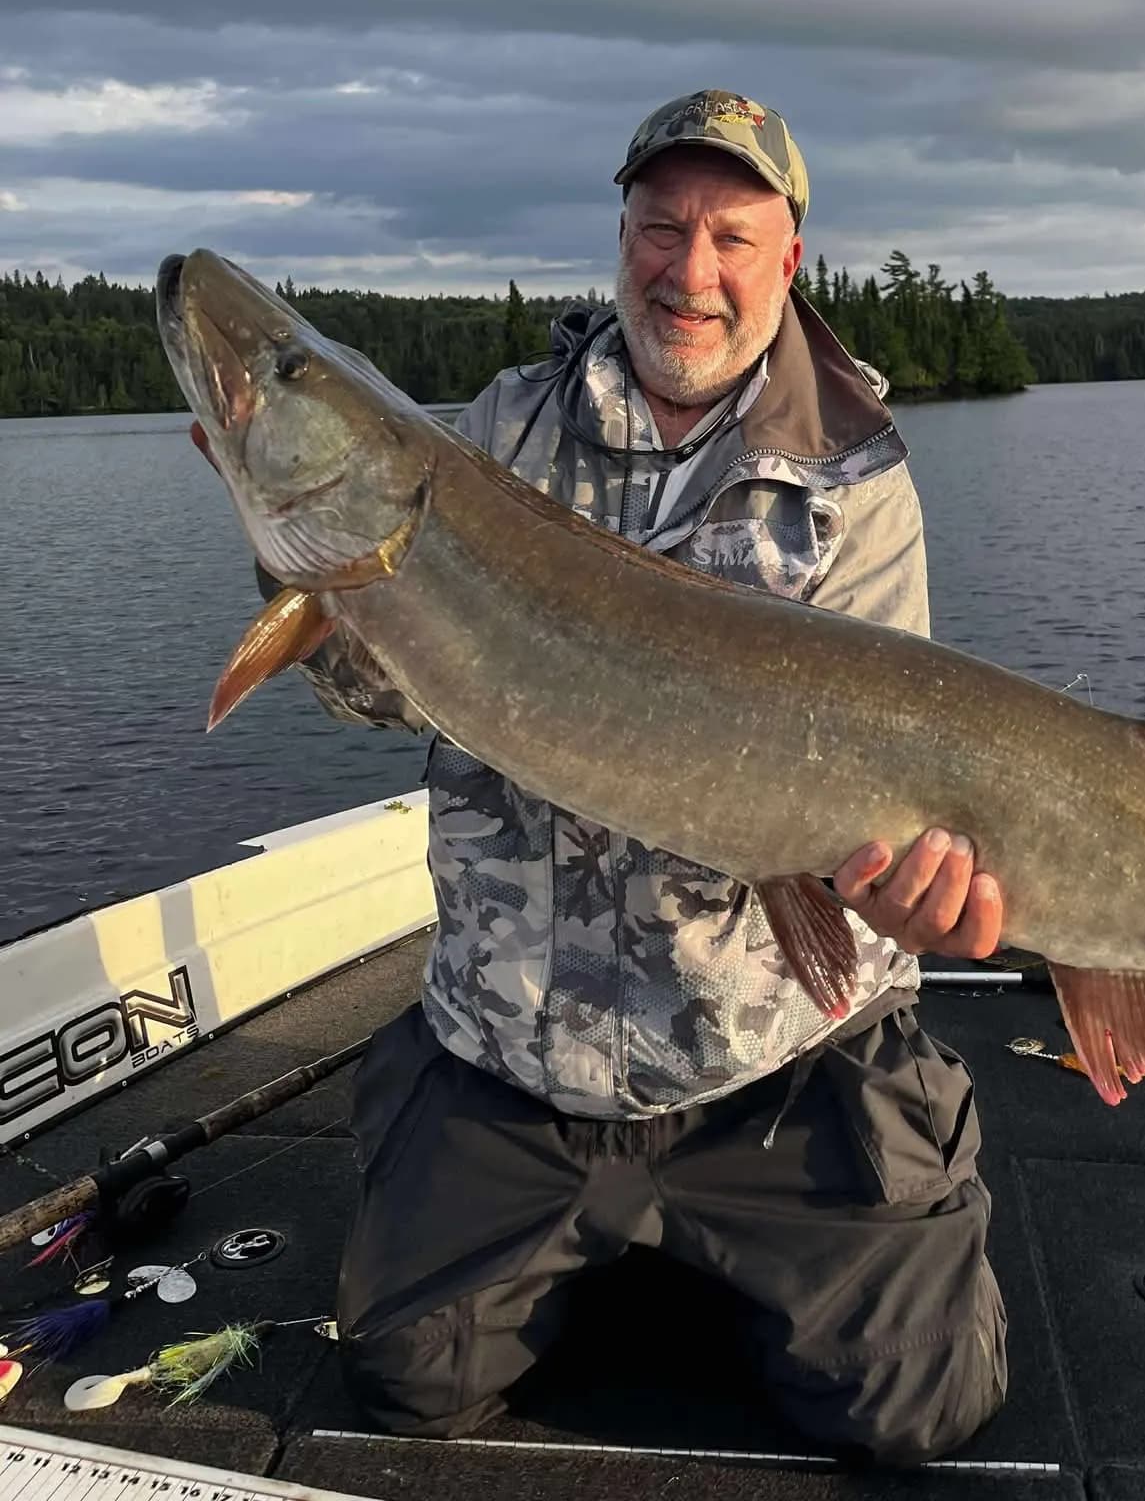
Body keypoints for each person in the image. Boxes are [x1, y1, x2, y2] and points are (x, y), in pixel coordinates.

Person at [233, 90, 1009, 1466]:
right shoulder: (499, 437)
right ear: (623, 237)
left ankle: (736, 1236)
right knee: (410, 1383)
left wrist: (918, 894)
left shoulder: (858, 479)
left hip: (770, 1058)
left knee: (920, 1408)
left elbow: (890, 784)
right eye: (660, 228)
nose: (688, 270)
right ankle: (623, 1239)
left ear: (788, 259)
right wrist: (295, 553)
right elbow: (370, 694)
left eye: (728, 235)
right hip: (516, 1051)